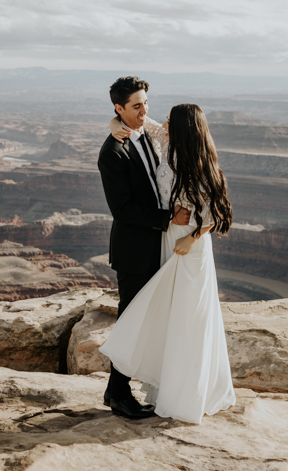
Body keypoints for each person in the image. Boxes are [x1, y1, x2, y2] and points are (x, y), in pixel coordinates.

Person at [99, 102, 237, 425]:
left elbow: (218, 212)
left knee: (189, 322)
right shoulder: (167, 142)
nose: (163, 122)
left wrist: (192, 238)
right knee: (169, 319)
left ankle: (186, 394)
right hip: (166, 241)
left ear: (185, 128)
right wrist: (112, 122)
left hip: (190, 249)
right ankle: (154, 389)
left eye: (171, 121)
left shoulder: (203, 166)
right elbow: (140, 124)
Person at [97, 76, 191, 420]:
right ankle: (118, 392)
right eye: (136, 106)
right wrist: (168, 219)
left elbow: (170, 130)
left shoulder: (144, 131)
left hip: (160, 246)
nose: (144, 111)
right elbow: (121, 209)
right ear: (119, 108)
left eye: (146, 103)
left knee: (151, 321)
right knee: (132, 321)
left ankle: (123, 389)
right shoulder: (112, 152)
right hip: (135, 250)